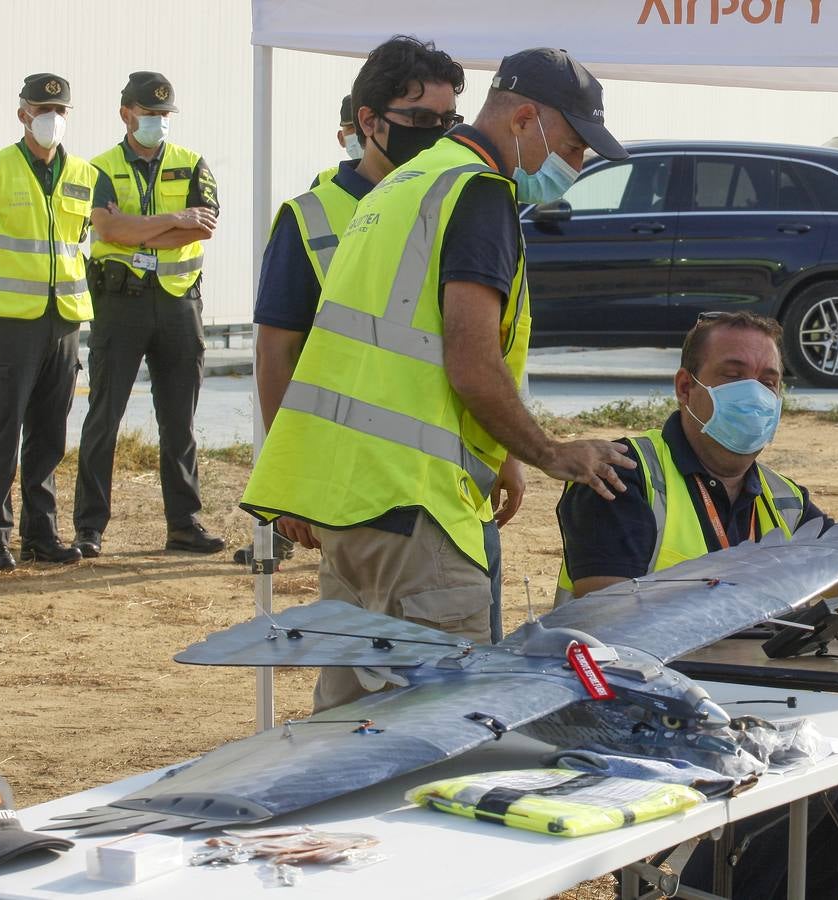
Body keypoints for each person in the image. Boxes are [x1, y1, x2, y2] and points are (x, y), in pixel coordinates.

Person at [241, 46, 633, 712]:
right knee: (437, 730)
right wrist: (548, 453)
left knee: (349, 726)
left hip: (353, 505)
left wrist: (497, 454)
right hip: (416, 512)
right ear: (526, 119)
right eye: (572, 145)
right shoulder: (476, 192)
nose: (577, 164)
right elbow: (471, 361)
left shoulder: (405, 184)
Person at [555, 310, 838, 900]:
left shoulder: (782, 497)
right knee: (793, 792)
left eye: (769, 381)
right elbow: (607, 614)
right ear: (688, 388)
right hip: (643, 717)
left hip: (749, 707)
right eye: (734, 374)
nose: (755, 393)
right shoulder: (624, 475)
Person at [71, 72, 222, 558]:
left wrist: (138, 232)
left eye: (164, 115)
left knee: (180, 420)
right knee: (104, 418)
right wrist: (172, 220)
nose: (157, 123)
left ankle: (184, 523)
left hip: (179, 302)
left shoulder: (193, 163)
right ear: (126, 114)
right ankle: (89, 527)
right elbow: (105, 227)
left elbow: (203, 229)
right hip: (120, 303)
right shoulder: (98, 168)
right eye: (149, 114)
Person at [0, 74, 95, 571]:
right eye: (43, 109)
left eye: (60, 109)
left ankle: (41, 535)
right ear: (23, 113)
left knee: (49, 433)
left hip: (63, 320)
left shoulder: (83, 173)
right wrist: (11, 274)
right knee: (2, 429)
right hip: (10, 321)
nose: (52, 118)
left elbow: (79, 237)